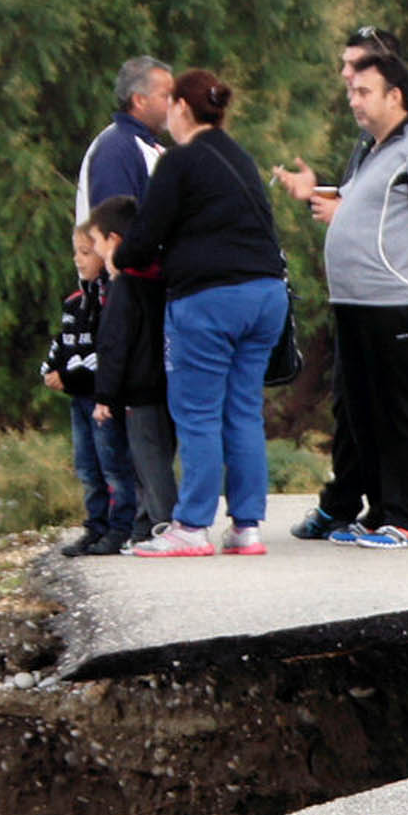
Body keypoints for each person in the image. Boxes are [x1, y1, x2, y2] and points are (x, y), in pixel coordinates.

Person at [278, 32, 408, 546]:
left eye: (364, 92)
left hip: (403, 303)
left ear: (395, 96)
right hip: (359, 305)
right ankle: (383, 512)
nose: (354, 102)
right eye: (352, 93)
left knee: (407, 414)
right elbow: (364, 213)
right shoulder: (372, 153)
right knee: (367, 415)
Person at [111, 69, 289, 558]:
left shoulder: (179, 162)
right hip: (267, 296)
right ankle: (247, 526)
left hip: (210, 301)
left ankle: (191, 526)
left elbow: (146, 234)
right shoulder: (240, 158)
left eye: (171, 103)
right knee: (244, 411)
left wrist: (120, 259)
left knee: (196, 413)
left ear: (183, 109)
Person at [85, 197, 174, 542]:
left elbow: (114, 343)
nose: (95, 251)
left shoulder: (125, 286)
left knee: (149, 459)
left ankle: (166, 523)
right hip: (167, 379)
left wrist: (105, 394)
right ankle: (143, 525)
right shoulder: (161, 277)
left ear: (115, 242)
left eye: (96, 243)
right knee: (158, 453)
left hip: (140, 387)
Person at [42, 238, 123, 555]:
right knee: (86, 467)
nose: (78, 259)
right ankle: (95, 526)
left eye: (86, 252)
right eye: (75, 252)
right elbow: (62, 343)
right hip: (79, 399)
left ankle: (120, 528)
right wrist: (50, 370)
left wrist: (71, 378)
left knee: (112, 466)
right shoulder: (73, 302)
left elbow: (104, 353)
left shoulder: (111, 301)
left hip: (100, 397)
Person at [82, 57, 172, 223]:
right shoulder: (116, 149)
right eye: (166, 96)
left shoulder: (151, 147)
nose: (174, 105)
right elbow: (112, 230)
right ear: (139, 100)